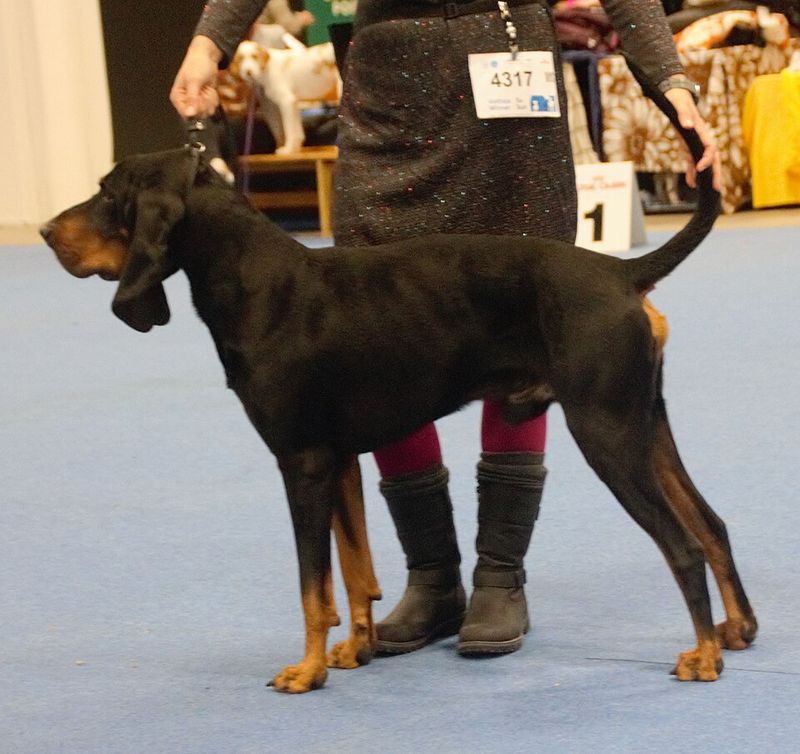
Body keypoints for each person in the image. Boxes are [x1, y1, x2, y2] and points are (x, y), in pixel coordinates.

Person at [172, 0, 721, 658]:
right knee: (375, 340)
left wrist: (671, 82)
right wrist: (208, 43)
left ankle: (501, 574)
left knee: (526, 332)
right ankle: (431, 577)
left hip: (512, 108)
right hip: (389, 103)